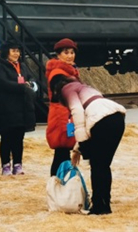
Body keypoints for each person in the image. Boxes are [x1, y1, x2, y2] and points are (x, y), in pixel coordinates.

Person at [49, 74, 126, 215]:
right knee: (103, 165)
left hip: (102, 121)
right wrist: (78, 149)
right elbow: (90, 116)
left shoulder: (66, 89)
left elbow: (77, 112)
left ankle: (99, 207)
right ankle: (104, 202)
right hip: (117, 117)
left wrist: (83, 143)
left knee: (97, 166)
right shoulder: (84, 86)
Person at [0, 41, 36, 175]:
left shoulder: (22, 65)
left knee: (19, 138)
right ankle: (5, 165)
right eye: (13, 51)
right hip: (6, 108)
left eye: (18, 51)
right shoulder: (0, 66)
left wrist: (32, 84)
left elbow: (30, 77)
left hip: (22, 107)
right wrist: (23, 87)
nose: (16, 53)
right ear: (6, 52)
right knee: (6, 138)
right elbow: (2, 83)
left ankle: (18, 164)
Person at [46, 38, 82, 176]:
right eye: (66, 53)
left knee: (63, 153)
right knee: (61, 152)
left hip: (66, 115)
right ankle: (57, 182)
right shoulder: (58, 73)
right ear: (58, 55)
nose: (70, 56)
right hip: (62, 117)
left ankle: (61, 182)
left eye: (72, 52)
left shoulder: (69, 71)